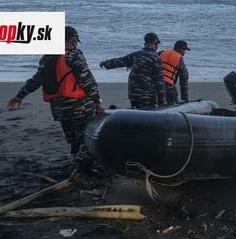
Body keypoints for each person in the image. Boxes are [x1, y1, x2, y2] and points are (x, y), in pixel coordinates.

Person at [7, 26, 102, 172]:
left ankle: (76, 160)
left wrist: (20, 95)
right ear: (73, 40)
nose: (75, 44)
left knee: (71, 136)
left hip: (58, 107)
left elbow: (37, 79)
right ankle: (85, 168)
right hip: (78, 106)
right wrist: (97, 101)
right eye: (75, 41)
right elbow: (86, 79)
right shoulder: (73, 54)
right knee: (84, 135)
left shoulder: (47, 57)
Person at [100, 32, 166, 109]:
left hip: (133, 93)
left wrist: (105, 63)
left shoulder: (137, 54)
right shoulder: (155, 58)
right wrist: (162, 102)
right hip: (146, 95)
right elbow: (159, 81)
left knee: (136, 113)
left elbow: (120, 61)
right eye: (157, 44)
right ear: (155, 43)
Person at [158, 40, 189, 104]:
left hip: (156, 85)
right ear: (181, 49)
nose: (184, 53)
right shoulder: (179, 58)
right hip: (168, 88)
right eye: (184, 50)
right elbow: (184, 80)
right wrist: (185, 99)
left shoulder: (162, 52)